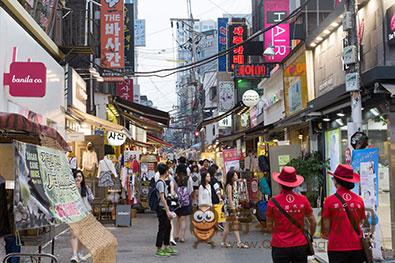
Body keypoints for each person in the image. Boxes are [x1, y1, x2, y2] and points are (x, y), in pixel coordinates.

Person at [266, 166, 316, 263]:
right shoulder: (303, 200)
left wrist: (278, 233)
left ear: (280, 183)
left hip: (280, 245)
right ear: (294, 184)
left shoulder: (273, 202)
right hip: (300, 244)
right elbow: (313, 222)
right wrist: (311, 235)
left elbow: (269, 226)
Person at [321, 164, 367, 263]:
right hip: (357, 246)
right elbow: (362, 221)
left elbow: (326, 226)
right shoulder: (359, 200)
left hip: (336, 247)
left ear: (337, 181)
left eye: (333, 178)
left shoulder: (329, 200)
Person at [70, 170, 94, 263]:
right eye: (76, 176)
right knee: (74, 234)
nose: (78, 178)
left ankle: (80, 252)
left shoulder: (86, 188)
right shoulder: (70, 189)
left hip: (85, 214)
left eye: (80, 176)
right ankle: (74, 255)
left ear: (82, 178)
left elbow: (91, 198)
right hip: (73, 214)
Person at [222, 170, 249, 249]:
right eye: (235, 175)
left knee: (228, 226)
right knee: (233, 225)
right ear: (231, 177)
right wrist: (233, 209)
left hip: (232, 207)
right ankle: (238, 242)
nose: (237, 176)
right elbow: (230, 199)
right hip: (230, 208)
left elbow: (238, 181)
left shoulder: (233, 183)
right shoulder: (229, 186)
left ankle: (225, 241)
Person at [155, 163, 177, 257]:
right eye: (168, 171)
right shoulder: (160, 182)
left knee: (168, 227)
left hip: (164, 208)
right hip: (162, 208)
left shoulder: (163, 182)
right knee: (162, 228)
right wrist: (167, 210)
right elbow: (162, 197)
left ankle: (167, 246)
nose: (169, 172)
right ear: (165, 172)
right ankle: (159, 248)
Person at [174, 164, 193, 243]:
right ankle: (182, 237)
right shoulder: (188, 178)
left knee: (178, 218)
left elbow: (174, 189)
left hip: (177, 201)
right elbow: (190, 190)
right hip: (186, 201)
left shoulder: (174, 179)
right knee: (184, 219)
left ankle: (177, 235)